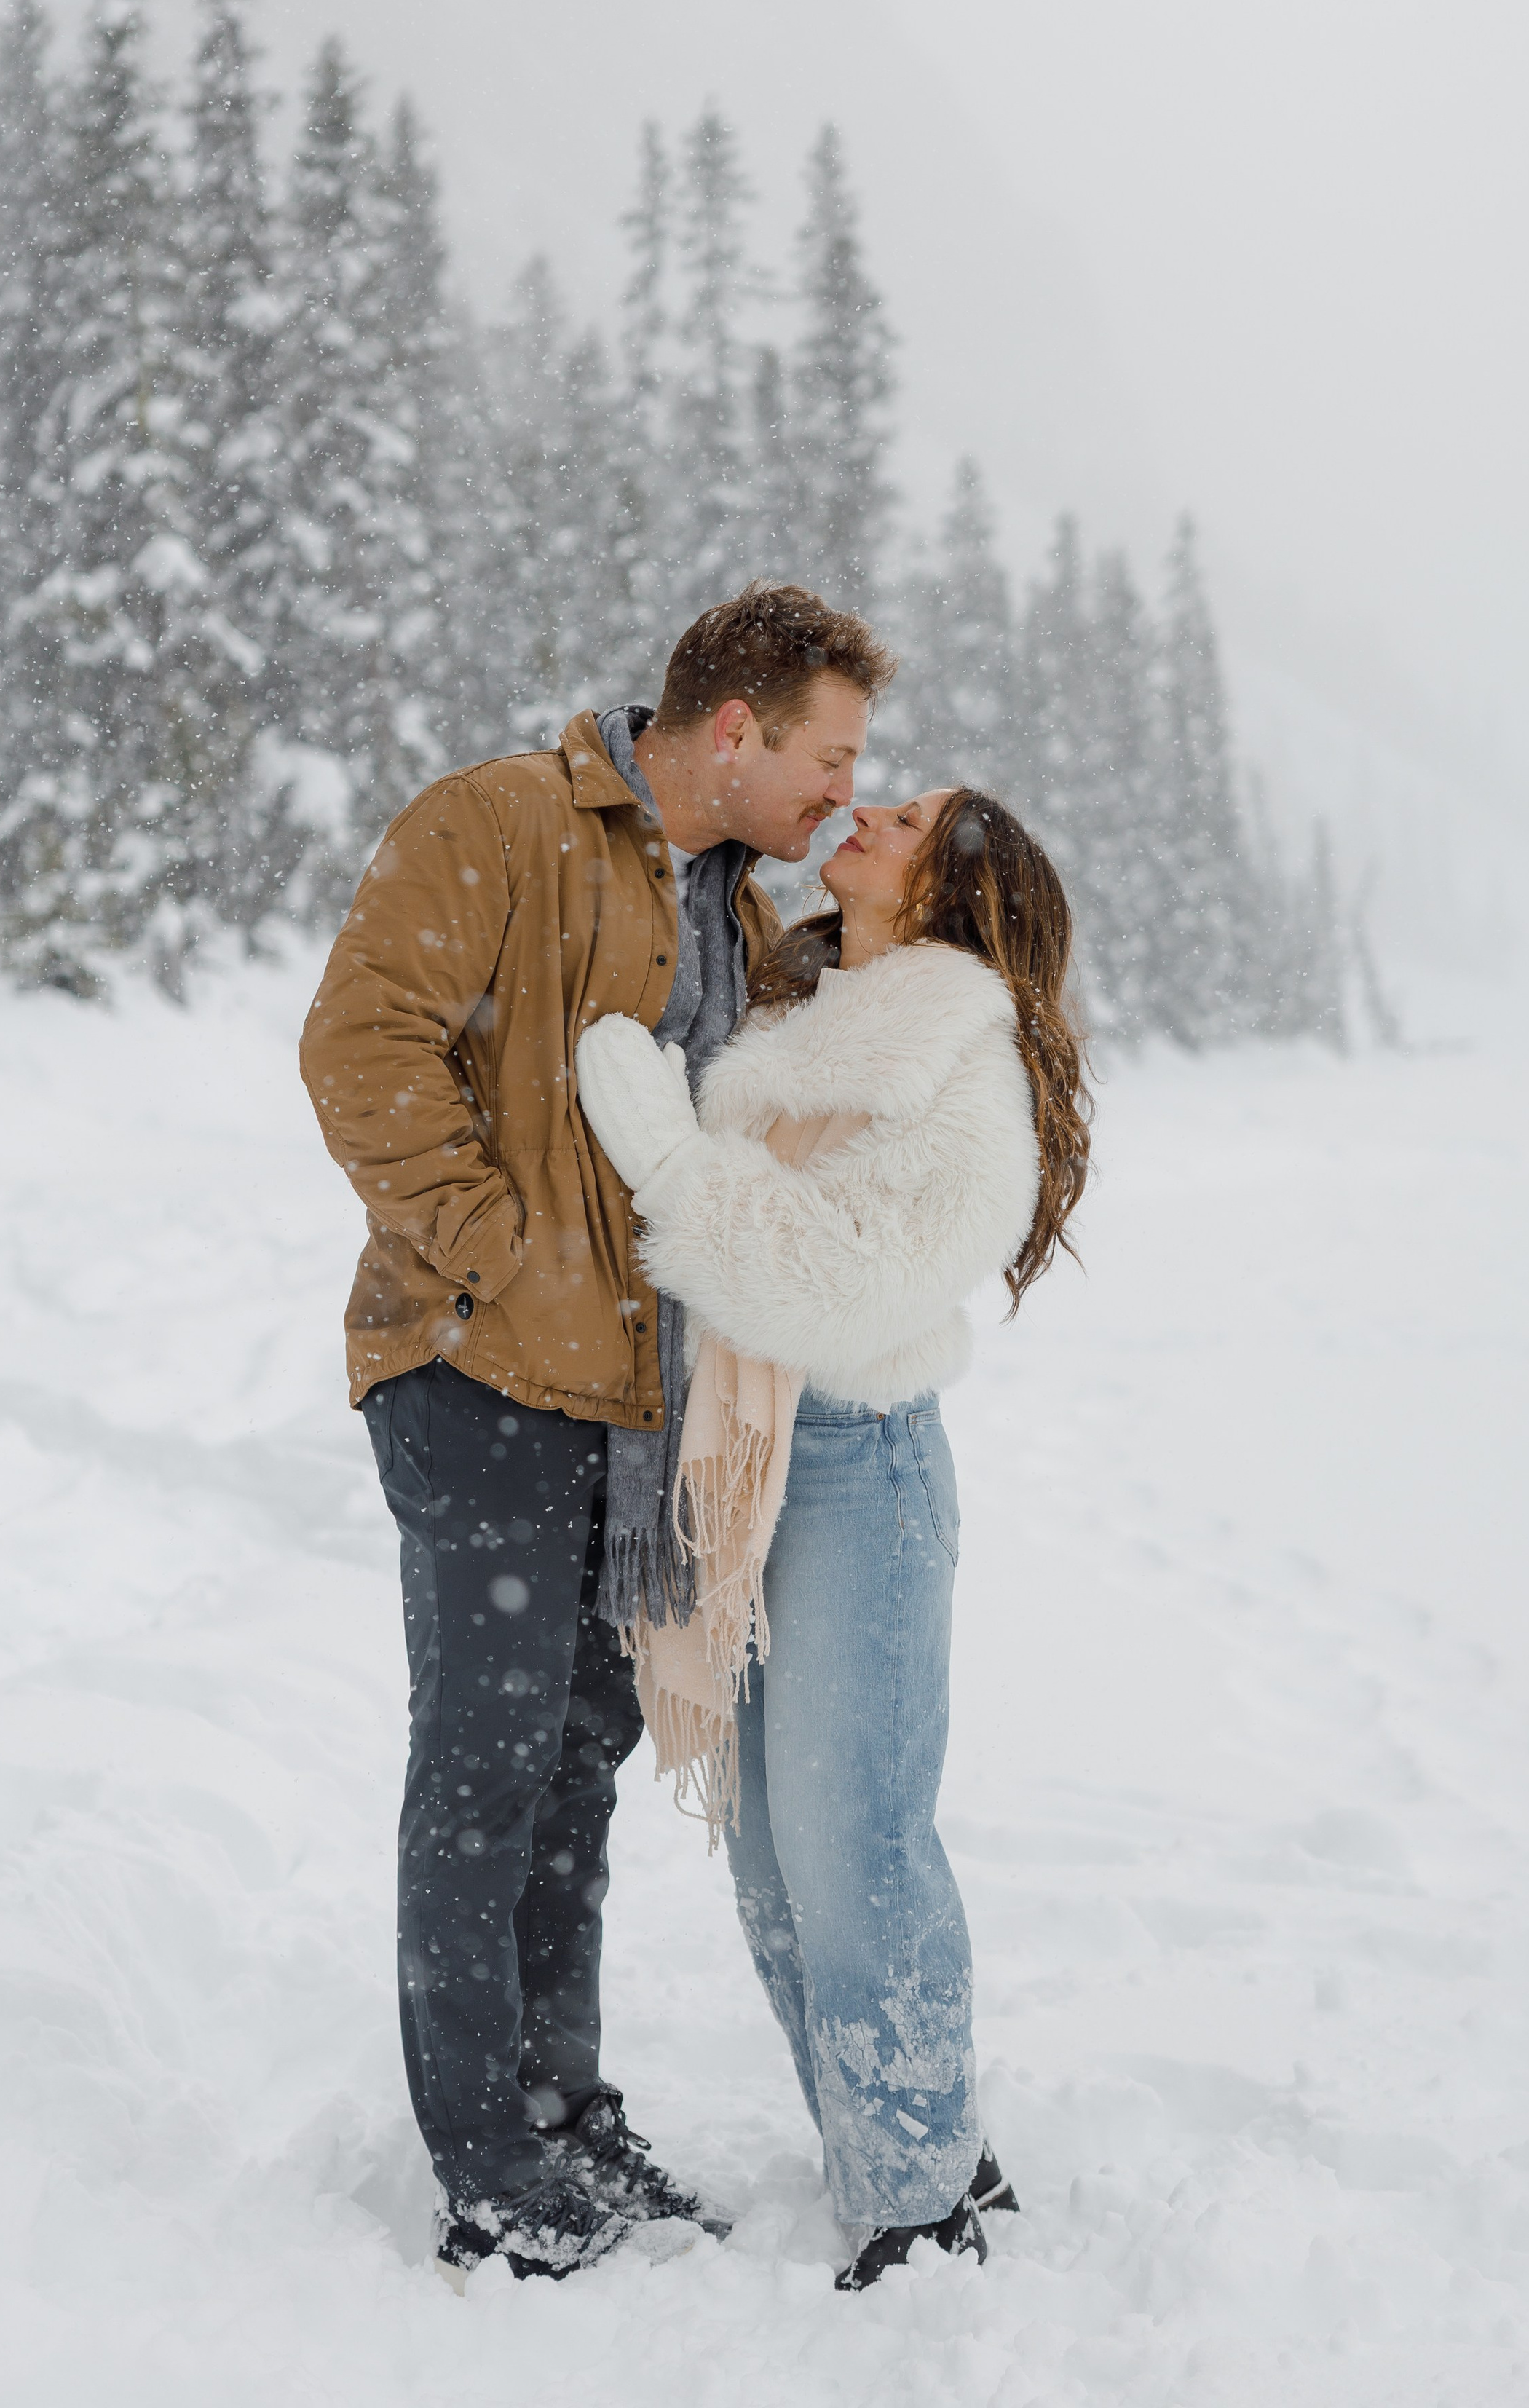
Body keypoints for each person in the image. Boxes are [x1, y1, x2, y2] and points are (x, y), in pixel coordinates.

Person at [299, 582, 897, 2283]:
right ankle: (489, 2173)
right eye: (828, 754)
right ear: (732, 731)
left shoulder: (725, 894)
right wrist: (499, 1265)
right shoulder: (497, 821)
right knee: (483, 1777)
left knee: (571, 1777)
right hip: (481, 1384)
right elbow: (362, 1046)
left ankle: (563, 2118)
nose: (843, 788)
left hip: (630, 1416)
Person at [575, 782, 1091, 2288]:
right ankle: (899, 2147)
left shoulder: (961, 1059)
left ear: (947, 886)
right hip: (753, 1469)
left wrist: (671, 1165)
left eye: (908, 814)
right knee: (770, 1866)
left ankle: (922, 2200)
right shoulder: (801, 1007)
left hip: (859, 1468)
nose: (864, 808)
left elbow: (844, 1281)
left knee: (851, 1849)